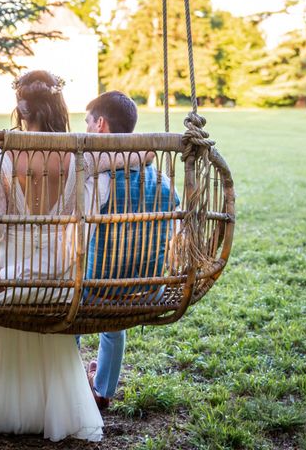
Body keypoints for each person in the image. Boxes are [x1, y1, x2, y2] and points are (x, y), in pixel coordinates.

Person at [0, 70, 103, 442]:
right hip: (57, 273)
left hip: (9, 269)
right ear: (58, 105)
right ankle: (53, 412)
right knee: (43, 313)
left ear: (20, 107)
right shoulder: (81, 154)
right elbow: (140, 155)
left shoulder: (2, 155)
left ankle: (9, 410)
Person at [80, 91, 180, 410]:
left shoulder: (100, 177)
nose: (84, 130)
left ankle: (70, 379)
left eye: (86, 123)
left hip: (97, 288)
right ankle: (104, 389)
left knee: (72, 298)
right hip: (146, 289)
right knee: (115, 323)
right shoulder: (163, 182)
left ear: (101, 125)